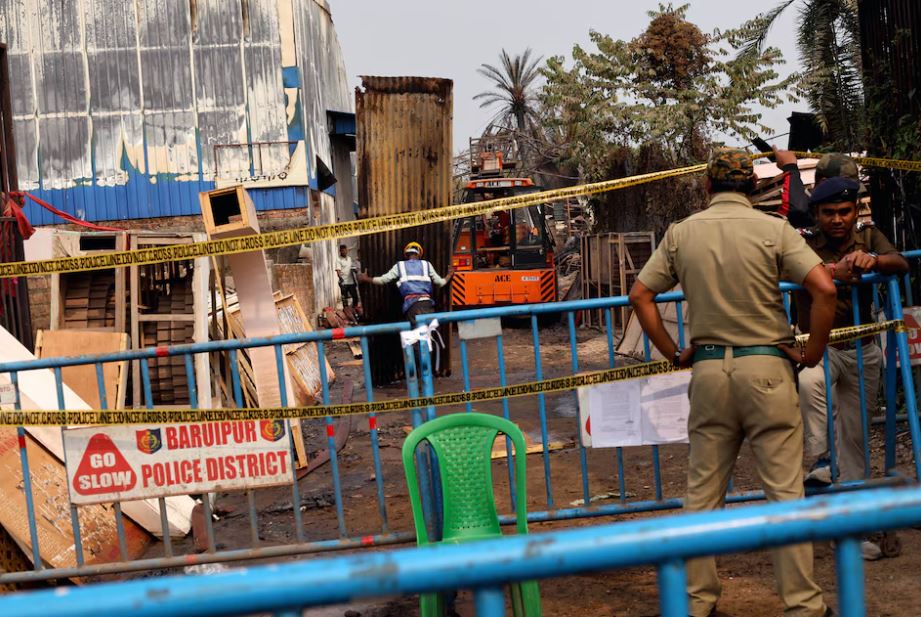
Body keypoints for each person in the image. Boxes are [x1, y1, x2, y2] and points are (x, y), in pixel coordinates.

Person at [629, 148, 837, 617]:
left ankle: (697, 604)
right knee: (785, 495)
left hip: (707, 373)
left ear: (707, 187)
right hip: (767, 370)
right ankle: (804, 606)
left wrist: (673, 351)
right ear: (751, 188)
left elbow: (641, 294)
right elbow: (824, 288)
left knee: (702, 496)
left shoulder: (682, 234)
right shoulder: (773, 229)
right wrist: (813, 351)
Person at [794, 177, 909, 559]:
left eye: (845, 211)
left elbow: (901, 262)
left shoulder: (868, 234)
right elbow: (785, 273)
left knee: (856, 441)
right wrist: (829, 271)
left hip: (862, 350)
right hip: (818, 348)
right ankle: (822, 458)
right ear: (817, 214)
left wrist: (873, 261)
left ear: (854, 210)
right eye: (829, 213)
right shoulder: (803, 240)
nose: (838, 219)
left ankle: (852, 529)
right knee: (811, 384)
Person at [358, 242, 453, 324]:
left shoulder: (400, 266)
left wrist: (366, 279)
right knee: (428, 334)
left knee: (415, 338)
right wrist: (448, 275)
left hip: (412, 306)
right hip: (427, 304)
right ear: (419, 254)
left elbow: (383, 280)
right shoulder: (426, 264)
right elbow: (440, 282)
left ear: (406, 255)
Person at [773, 148, 865, 229]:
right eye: (843, 189)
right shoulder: (808, 209)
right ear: (823, 183)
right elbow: (798, 210)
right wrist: (790, 168)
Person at [336, 244, 359, 309]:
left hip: (351, 282)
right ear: (340, 251)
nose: (344, 252)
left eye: (345, 250)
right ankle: (346, 310)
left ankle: (355, 309)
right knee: (344, 299)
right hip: (344, 283)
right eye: (342, 251)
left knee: (355, 297)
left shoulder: (349, 258)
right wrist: (341, 279)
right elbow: (338, 271)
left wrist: (355, 270)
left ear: (347, 250)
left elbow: (352, 267)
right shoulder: (338, 259)